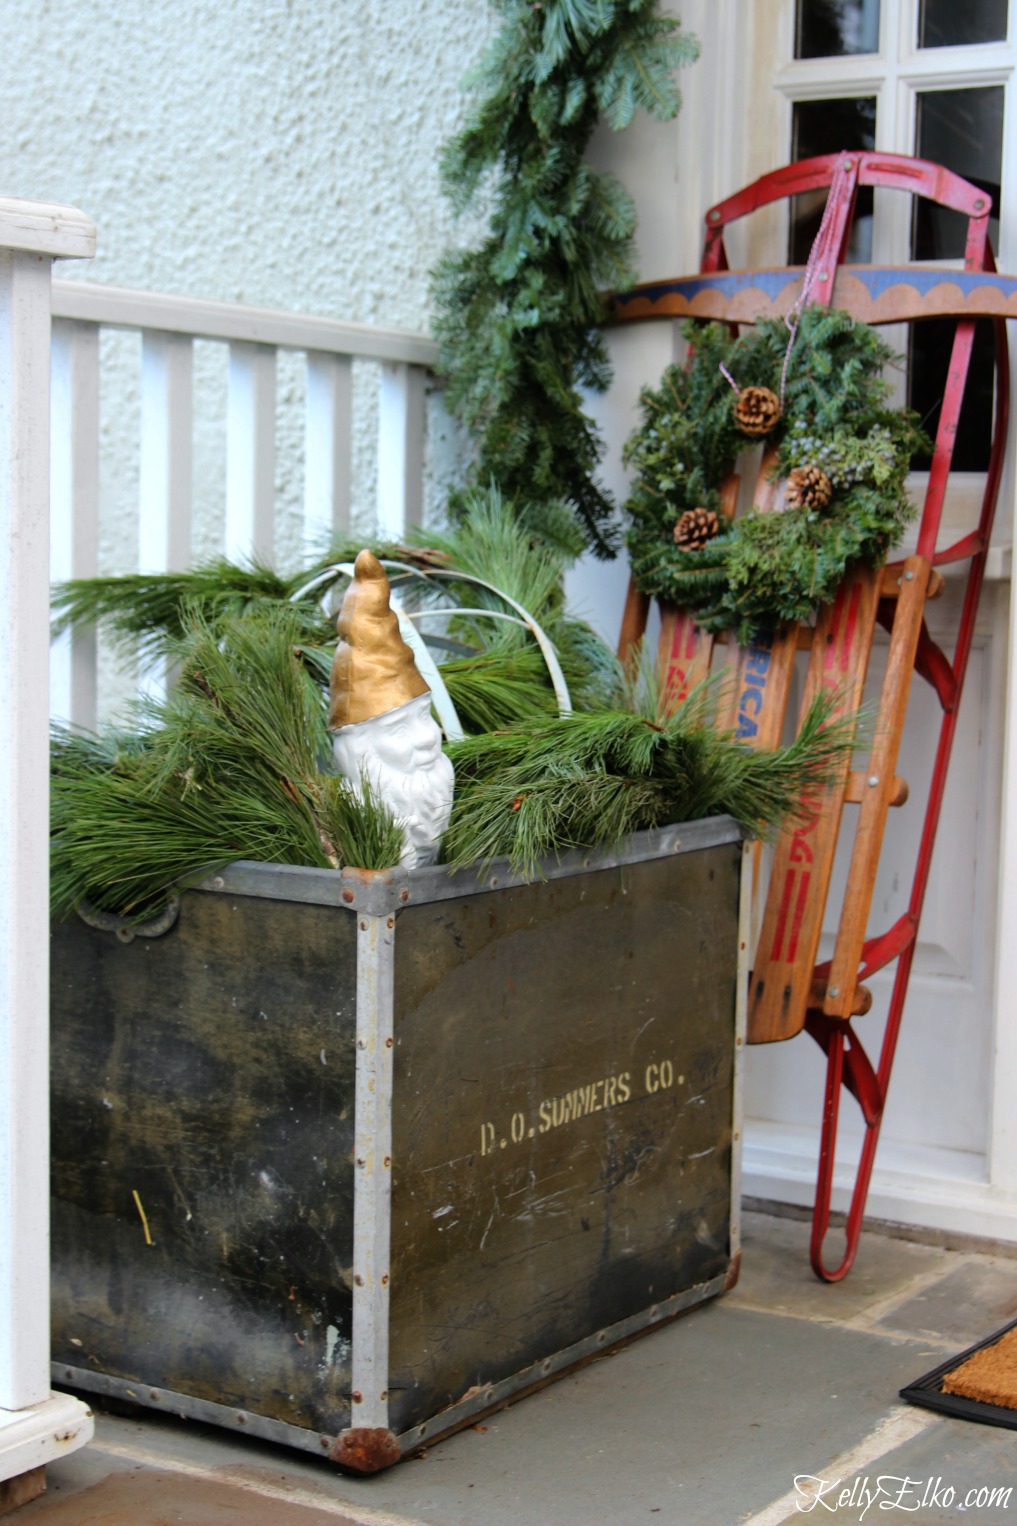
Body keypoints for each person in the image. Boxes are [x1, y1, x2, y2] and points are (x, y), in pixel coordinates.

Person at [328, 549, 454, 869]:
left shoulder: (440, 775)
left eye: (424, 717)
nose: (427, 738)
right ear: (360, 752)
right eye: (398, 729)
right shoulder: (358, 803)